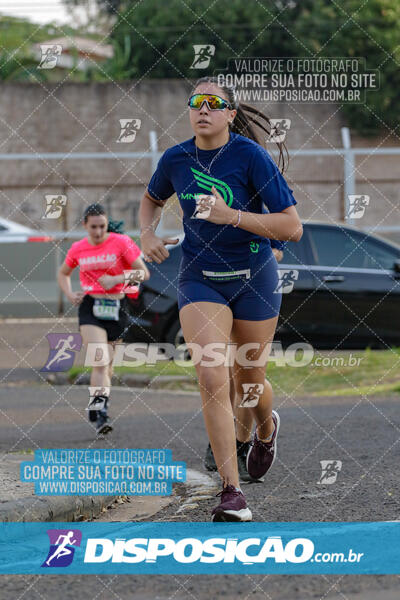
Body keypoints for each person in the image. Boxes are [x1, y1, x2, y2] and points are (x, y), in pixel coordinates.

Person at [139, 76, 302, 521]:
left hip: (254, 277)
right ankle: (232, 494)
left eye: (213, 103)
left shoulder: (250, 157)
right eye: (196, 102)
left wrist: (233, 216)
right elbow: (151, 198)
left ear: (230, 113)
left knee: (248, 379)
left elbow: (291, 227)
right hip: (199, 278)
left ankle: (265, 430)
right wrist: (147, 233)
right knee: (212, 375)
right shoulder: (175, 158)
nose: (203, 109)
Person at [58, 203, 150, 435]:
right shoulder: (78, 248)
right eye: (93, 227)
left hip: (117, 305)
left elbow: (144, 273)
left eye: (102, 226)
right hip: (91, 307)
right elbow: (63, 273)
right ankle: (101, 414)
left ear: (107, 224)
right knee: (100, 360)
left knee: (107, 367)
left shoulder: (121, 243)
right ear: (85, 226)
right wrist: (70, 294)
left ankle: (97, 401)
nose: (98, 232)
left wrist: (117, 277)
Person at [204, 240, 285, 483]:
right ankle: (224, 439)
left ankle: (243, 441)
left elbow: (277, 249)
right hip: (211, 285)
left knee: (242, 376)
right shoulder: (202, 203)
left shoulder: (257, 204)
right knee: (218, 371)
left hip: (252, 288)